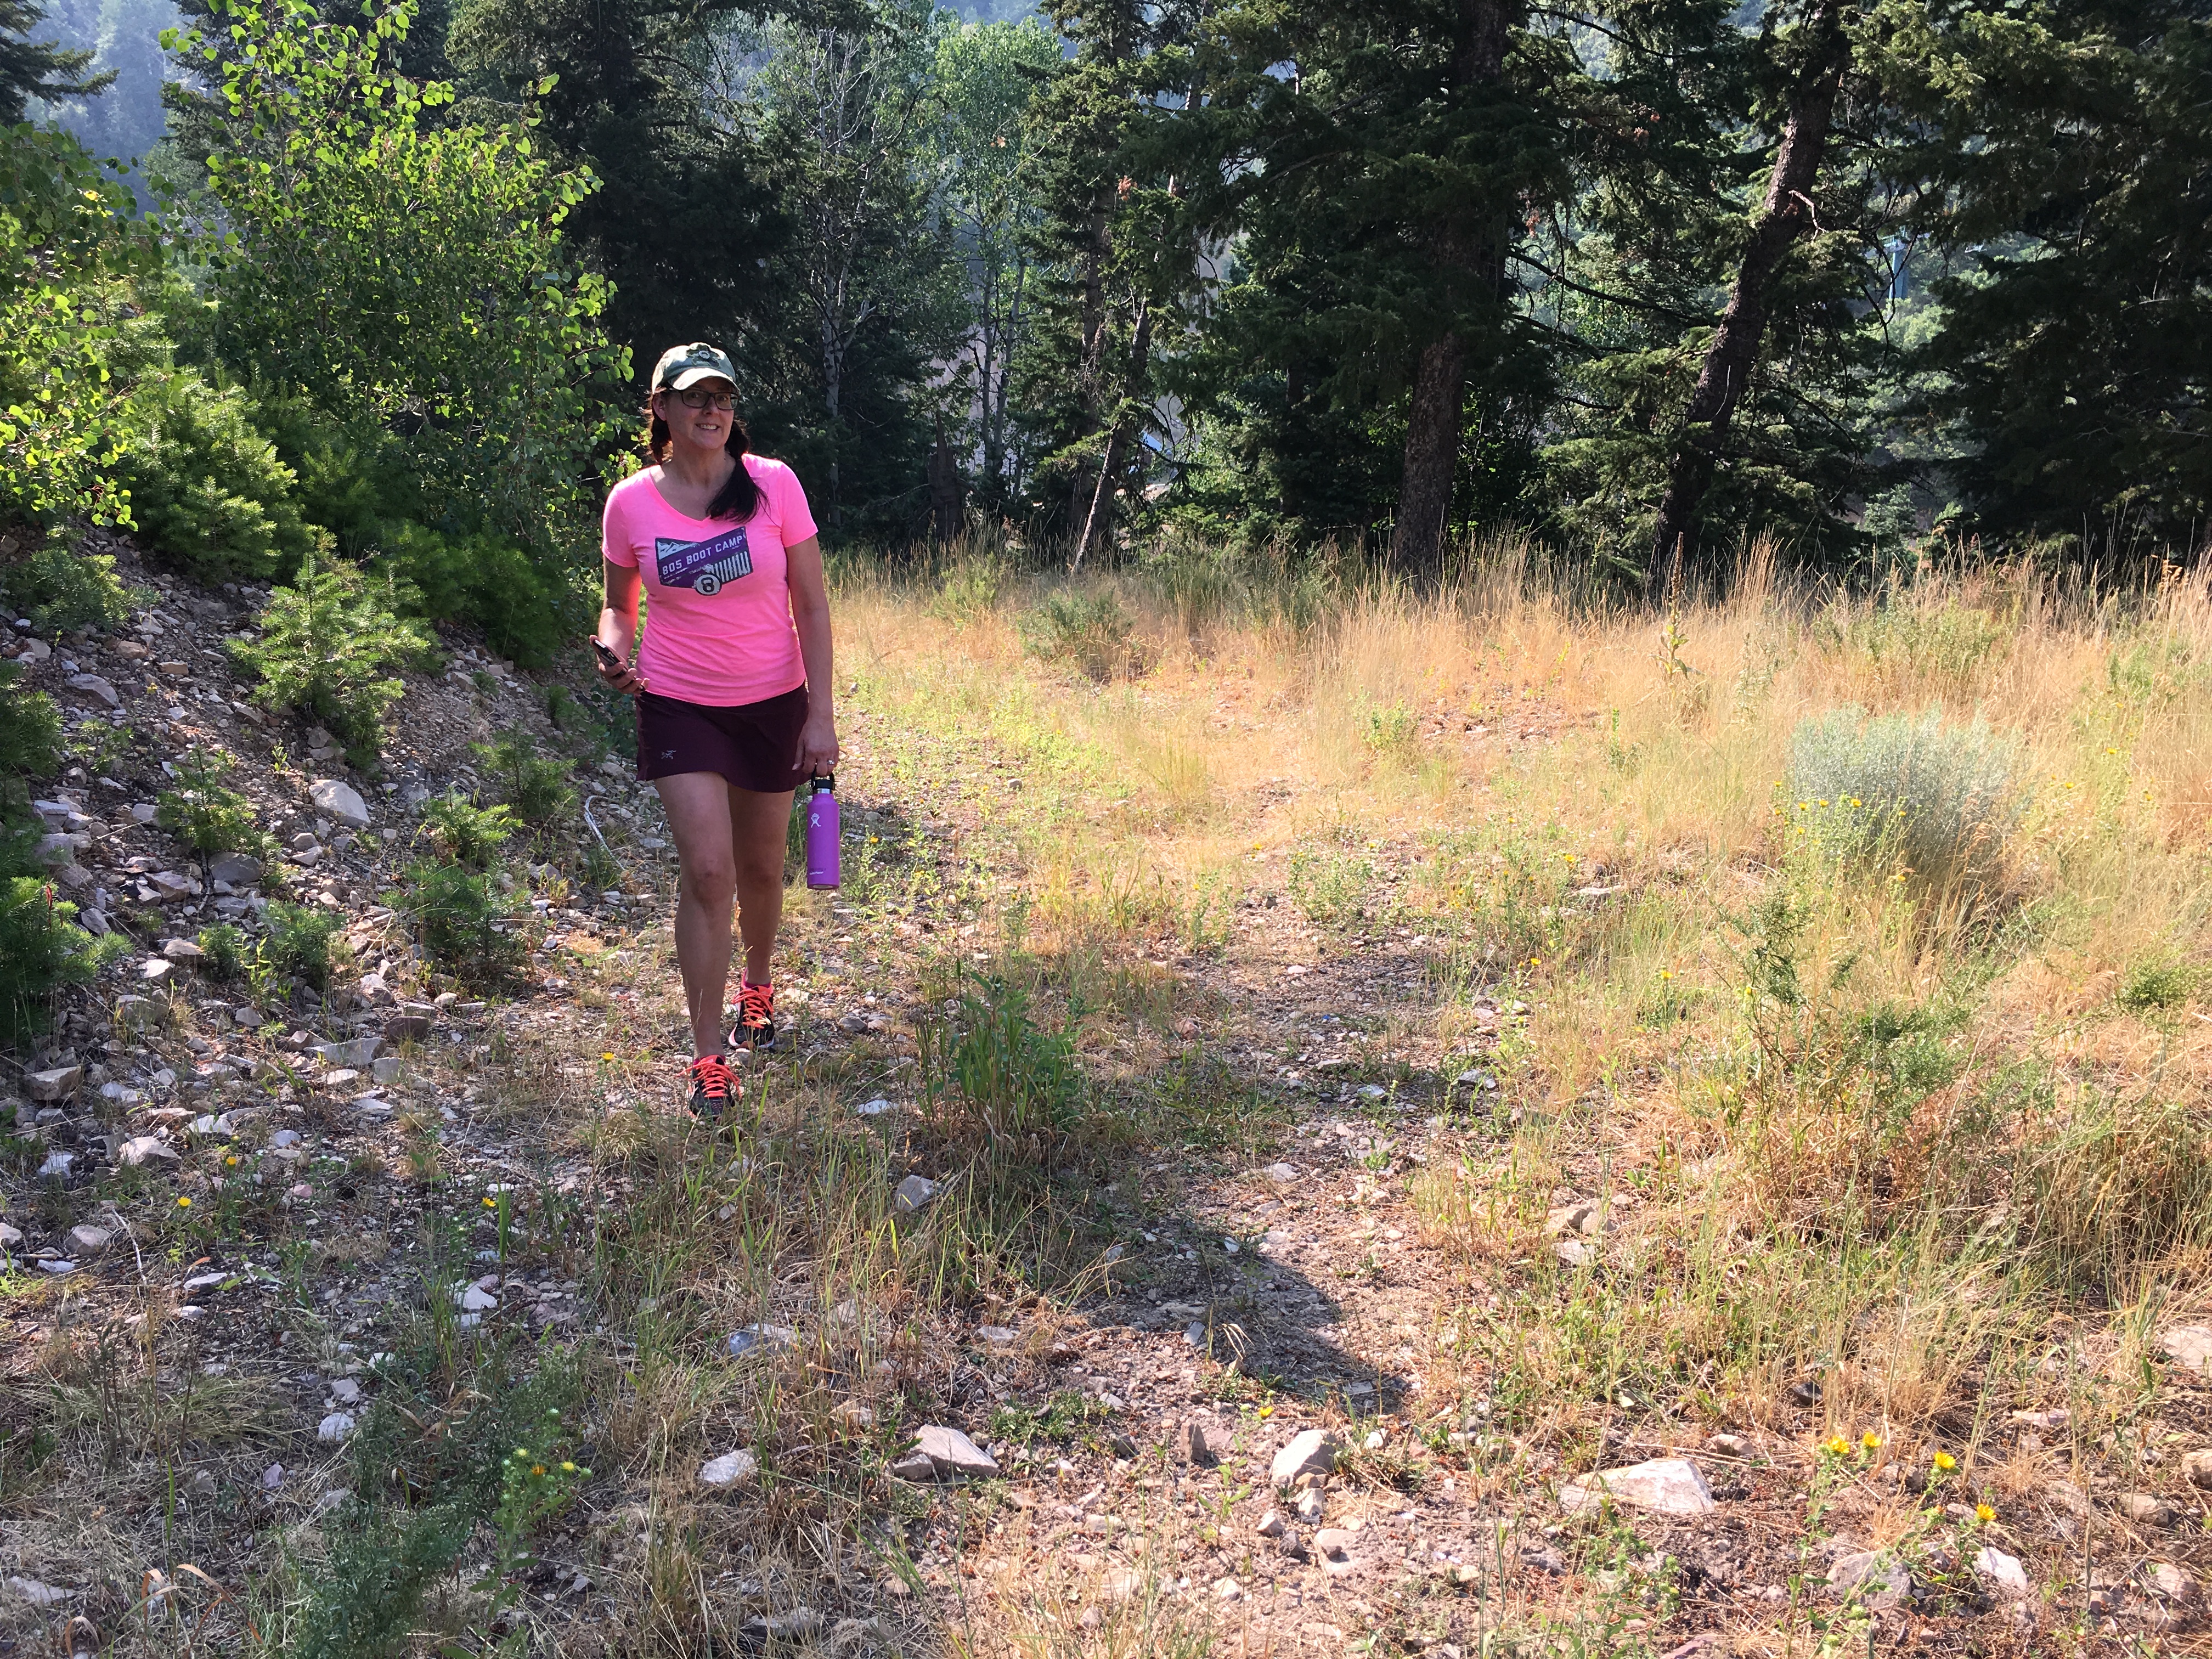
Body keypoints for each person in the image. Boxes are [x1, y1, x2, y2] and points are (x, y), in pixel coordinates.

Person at [592, 343, 839, 1122]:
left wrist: (822, 715)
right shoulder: (631, 502)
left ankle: (757, 988)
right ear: (661, 409)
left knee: (763, 869)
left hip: (771, 701)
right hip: (679, 705)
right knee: (708, 872)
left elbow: (813, 606)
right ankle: (708, 1056)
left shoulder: (773, 485)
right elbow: (617, 604)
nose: (711, 411)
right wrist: (615, 649)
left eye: (723, 397)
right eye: (694, 397)